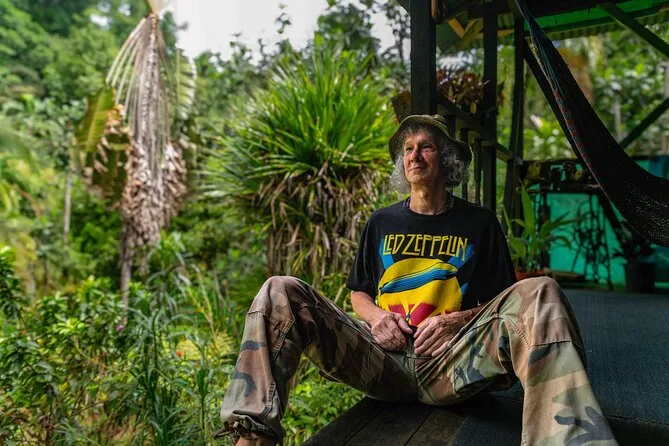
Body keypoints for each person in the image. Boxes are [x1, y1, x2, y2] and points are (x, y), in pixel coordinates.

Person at [218, 115, 617, 445]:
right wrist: (378, 319)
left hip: (451, 364)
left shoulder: (479, 223)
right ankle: (253, 437)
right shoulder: (381, 222)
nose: (414, 155)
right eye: (408, 149)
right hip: (381, 361)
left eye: (426, 147)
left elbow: (504, 303)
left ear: (447, 160)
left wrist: (456, 322)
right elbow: (359, 293)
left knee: (542, 291)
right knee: (280, 290)